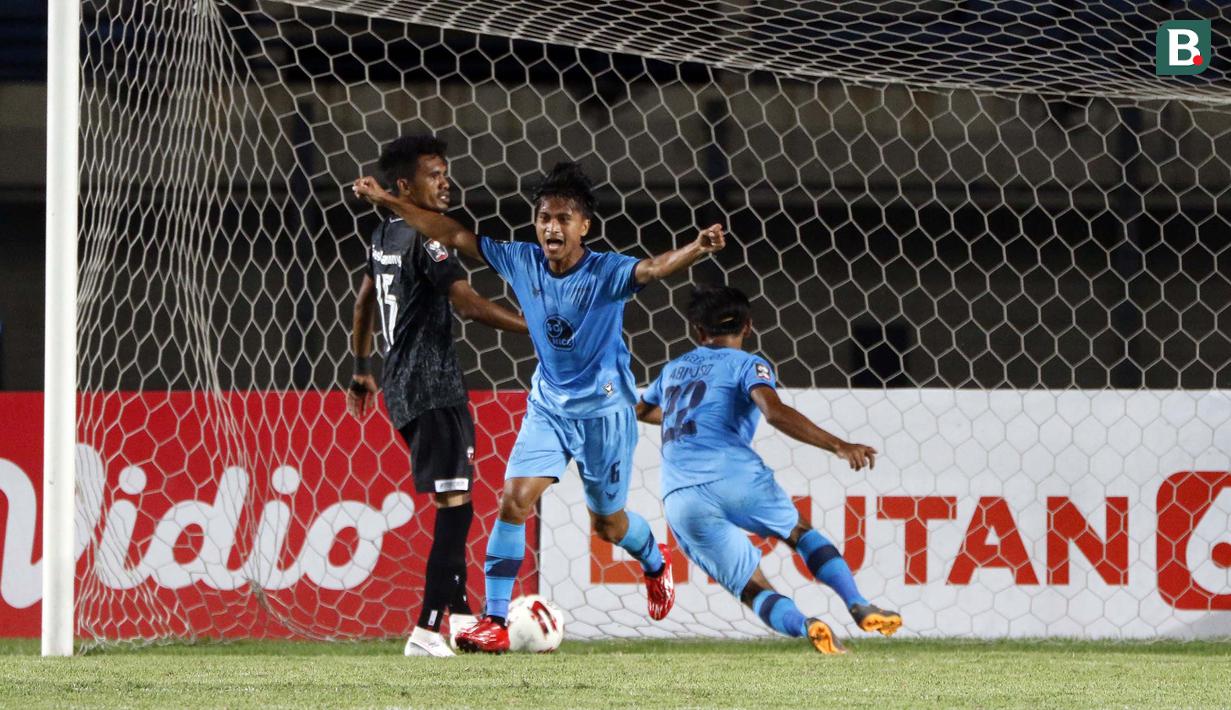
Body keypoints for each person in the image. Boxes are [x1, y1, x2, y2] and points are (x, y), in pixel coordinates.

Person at [353, 161, 726, 652]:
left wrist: (698, 248)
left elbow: (653, 268)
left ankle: (655, 560)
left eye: (563, 219)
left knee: (608, 525)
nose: (552, 227)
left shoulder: (607, 272)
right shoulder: (520, 259)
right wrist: (391, 203)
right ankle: (495, 621)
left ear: (584, 226)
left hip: (605, 415)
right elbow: (453, 233)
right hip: (549, 407)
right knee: (514, 500)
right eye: (544, 217)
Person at [635, 285, 899, 654]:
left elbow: (641, 411)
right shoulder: (748, 364)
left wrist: (688, 420)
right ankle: (856, 602)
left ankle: (807, 625)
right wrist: (839, 445)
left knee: (752, 587)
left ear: (697, 331)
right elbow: (773, 412)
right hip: (736, 477)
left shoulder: (672, 370)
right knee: (800, 534)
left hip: (682, 495)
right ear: (748, 326)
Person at [348, 134, 528, 657]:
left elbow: (362, 305)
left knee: (456, 501)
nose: (445, 181)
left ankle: (465, 619)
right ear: (405, 186)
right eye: (433, 173)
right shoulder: (427, 240)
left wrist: (362, 370)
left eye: (445, 171)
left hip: (400, 390)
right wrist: (538, 328)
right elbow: (468, 305)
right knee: (456, 508)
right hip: (432, 387)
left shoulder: (383, 233)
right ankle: (427, 630)